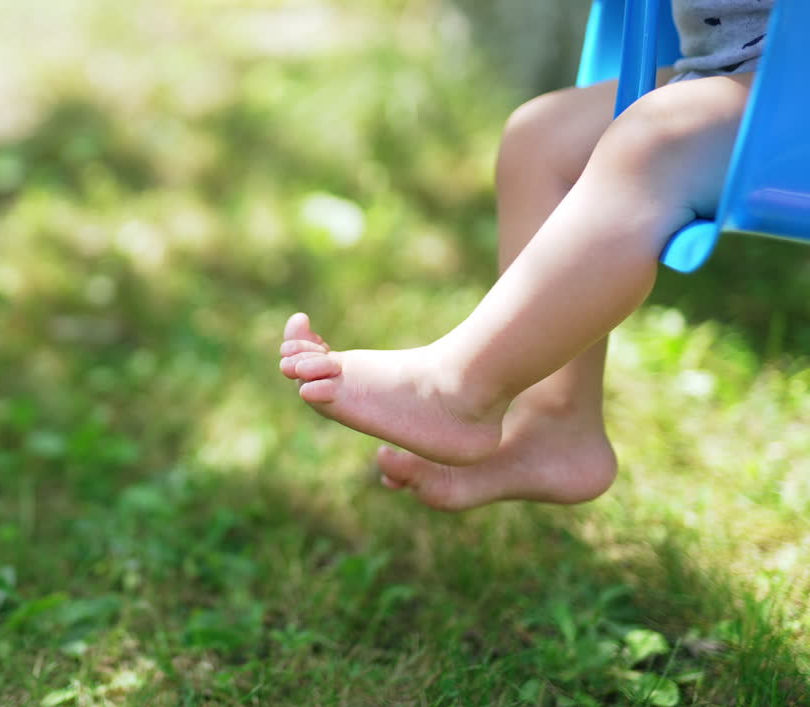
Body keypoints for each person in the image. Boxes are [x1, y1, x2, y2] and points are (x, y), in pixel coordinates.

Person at [278, 0, 774, 511]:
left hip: (788, 82)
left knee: (656, 138)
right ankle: (557, 426)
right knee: (540, 138)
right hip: (737, 72)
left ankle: (457, 391)